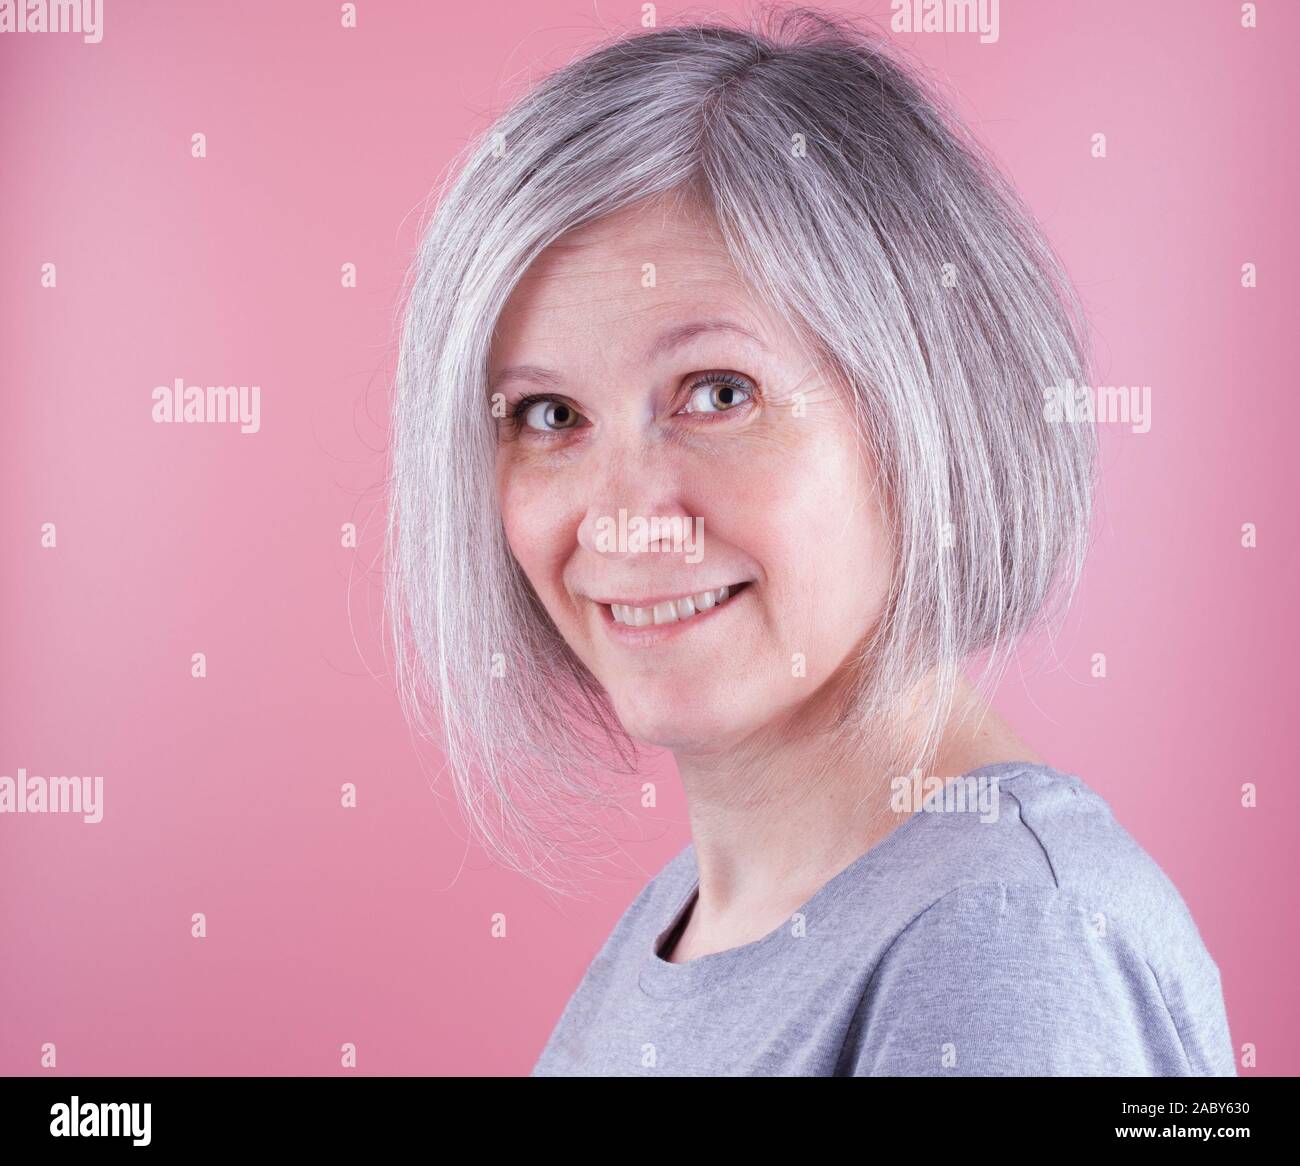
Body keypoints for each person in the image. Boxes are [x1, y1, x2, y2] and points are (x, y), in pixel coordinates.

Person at [385, 7, 1236, 1076]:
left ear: (928, 409)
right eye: (548, 416)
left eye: (718, 392)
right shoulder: (689, 916)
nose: (625, 513)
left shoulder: (1007, 937)